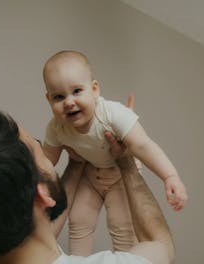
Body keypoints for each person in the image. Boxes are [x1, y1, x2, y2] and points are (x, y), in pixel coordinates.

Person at [0, 106, 174, 264]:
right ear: (42, 193)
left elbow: (36, 227)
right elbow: (160, 245)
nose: (45, 150)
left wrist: (78, 159)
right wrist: (127, 160)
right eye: (39, 148)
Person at [42, 50, 187, 255]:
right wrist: (33, 185)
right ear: (49, 100)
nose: (68, 102)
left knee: (121, 226)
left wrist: (170, 176)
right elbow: (46, 161)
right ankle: (78, 261)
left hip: (120, 174)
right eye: (58, 96)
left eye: (76, 91)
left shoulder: (112, 114)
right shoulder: (57, 127)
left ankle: (126, 259)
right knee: (79, 219)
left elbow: (144, 145)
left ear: (94, 90)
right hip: (91, 174)